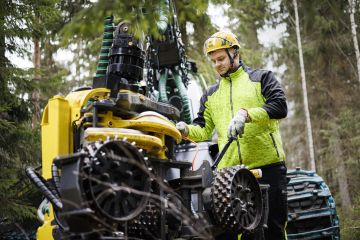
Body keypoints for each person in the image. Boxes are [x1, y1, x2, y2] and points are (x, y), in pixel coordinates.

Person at [176, 31, 288, 240]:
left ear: (235, 54)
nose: (217, 65)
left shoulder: (261, 78)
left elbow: (280, 107)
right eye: (213, 61)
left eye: (221, 59)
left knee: (273, 229)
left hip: (269, 168)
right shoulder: (210, 94)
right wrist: (185, 130)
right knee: (239, 232)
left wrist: (247, 115)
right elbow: (203, 130)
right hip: (232, 177)